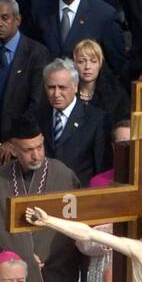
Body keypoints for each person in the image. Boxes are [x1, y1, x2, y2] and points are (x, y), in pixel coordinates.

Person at [0, 113, 80, 282]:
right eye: (28, 150)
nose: (36, 155)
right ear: (12, 148)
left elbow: (72, 224)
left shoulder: (63, 174)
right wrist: (24, 258)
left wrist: (44, 254)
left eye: (39, 147)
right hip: (15, 277)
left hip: (57, 270)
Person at [0, 0, 49, 153]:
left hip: (19, 143)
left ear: (17, 19)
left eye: (5, 18)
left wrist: (14, 140)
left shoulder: (36, 53)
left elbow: (37, 104)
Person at [36, 56, 109, 185]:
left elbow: (101, 169)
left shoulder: (96, 119)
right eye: (51, 87)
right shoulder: (38, 116)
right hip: (44, 194)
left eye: (62, 87)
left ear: (75, 87)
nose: (56, 93)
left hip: (79, 195)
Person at [73, 37, 127, 124]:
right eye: (81, 61)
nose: (87, 67)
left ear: (100, 64)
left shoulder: (115, 95)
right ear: (75, 64)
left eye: (93, 61)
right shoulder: (68, 93)